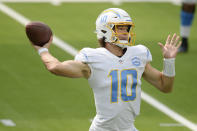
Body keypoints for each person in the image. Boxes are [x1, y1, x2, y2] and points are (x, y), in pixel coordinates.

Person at [31, 8, 181, 131]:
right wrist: (43, 51)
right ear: (104, 31)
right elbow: (55, 67)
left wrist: (169, 61)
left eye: (126, 28)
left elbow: (165, 86)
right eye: (120, 28)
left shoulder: (138, 54)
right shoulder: (92, 58)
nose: (125, 33)